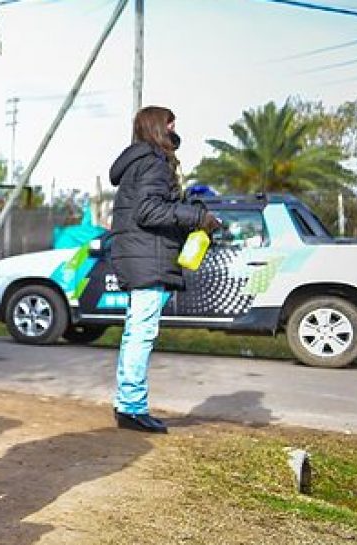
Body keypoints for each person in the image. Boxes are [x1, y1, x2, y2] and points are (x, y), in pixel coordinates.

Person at [108, 106, 220, 434]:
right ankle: (131, 407)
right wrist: (197, 218)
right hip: (147, 257)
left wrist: (190, 211)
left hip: (138, 254)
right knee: (141, 333)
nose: (175, 128)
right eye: (171, 123)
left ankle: (127, 403)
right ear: (158, 127)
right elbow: (149, 210)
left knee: (136, 332)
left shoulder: (139, 162)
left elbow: (151, 207)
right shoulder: (153, 162)